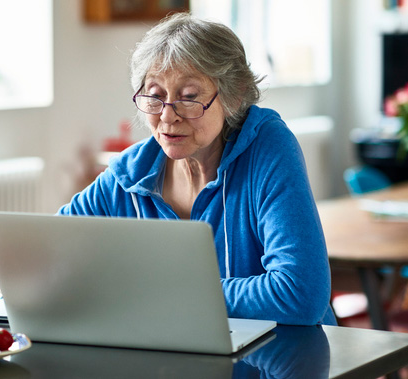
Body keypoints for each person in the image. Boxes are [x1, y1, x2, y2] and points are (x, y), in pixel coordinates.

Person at [58, 13, 337, 326]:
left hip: (285, 359)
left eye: (189, 98)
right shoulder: (131, 172)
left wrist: (163, 294)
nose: (168, 116)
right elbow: (51, 252)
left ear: (236, 95)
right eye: (155, 95)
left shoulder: (268, 148)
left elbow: (299, 294)